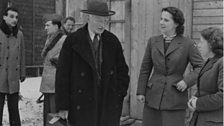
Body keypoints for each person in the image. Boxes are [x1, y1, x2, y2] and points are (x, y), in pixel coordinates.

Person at [55, 1, 129, 126]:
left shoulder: (112, 41)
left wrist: (119, 93)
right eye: (98, 20)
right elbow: (62, 75)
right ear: (88, 18)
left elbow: (122, 71)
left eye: (105, 21)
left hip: (107, 101)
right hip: (81, 102)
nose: (102, 25)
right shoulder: (73, 41)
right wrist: (63, 106)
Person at [136, 6, 204, 126]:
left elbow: (200, 67)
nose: (161, 22)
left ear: (176, 23)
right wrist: (141, 91)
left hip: (175, 98)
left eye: (166, 20)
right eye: (161, 19)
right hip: (152, 97)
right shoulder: (153, 41)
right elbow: (145, 67)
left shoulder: (187, 43)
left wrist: (186, 81)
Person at [188, 27, 223, 126]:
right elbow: (204, 88)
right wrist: (194, 98)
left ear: (211, 44)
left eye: (201, 42)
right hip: (201, 119)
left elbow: (222, 96)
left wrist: (197, 103)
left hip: (214, 121)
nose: (198, 45)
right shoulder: (209, 61)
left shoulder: (222, 63)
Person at [39, 13, 66, 126]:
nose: (45, 28)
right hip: (47, 81)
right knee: (48, 110)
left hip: (56, 81)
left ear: (56, 26)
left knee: (55, 112)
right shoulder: (49, 38)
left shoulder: (64, 39)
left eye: (47, 25)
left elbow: (66, 58)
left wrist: (56, 60)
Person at [0, 7, 26, 126]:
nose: (14, 19)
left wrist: (22, 72)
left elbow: (22, 54)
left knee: (14, 109)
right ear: (4, 17)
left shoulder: (19, 34)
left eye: (16, 17)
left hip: (13, 76)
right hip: (0, 75)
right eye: (11, 16)